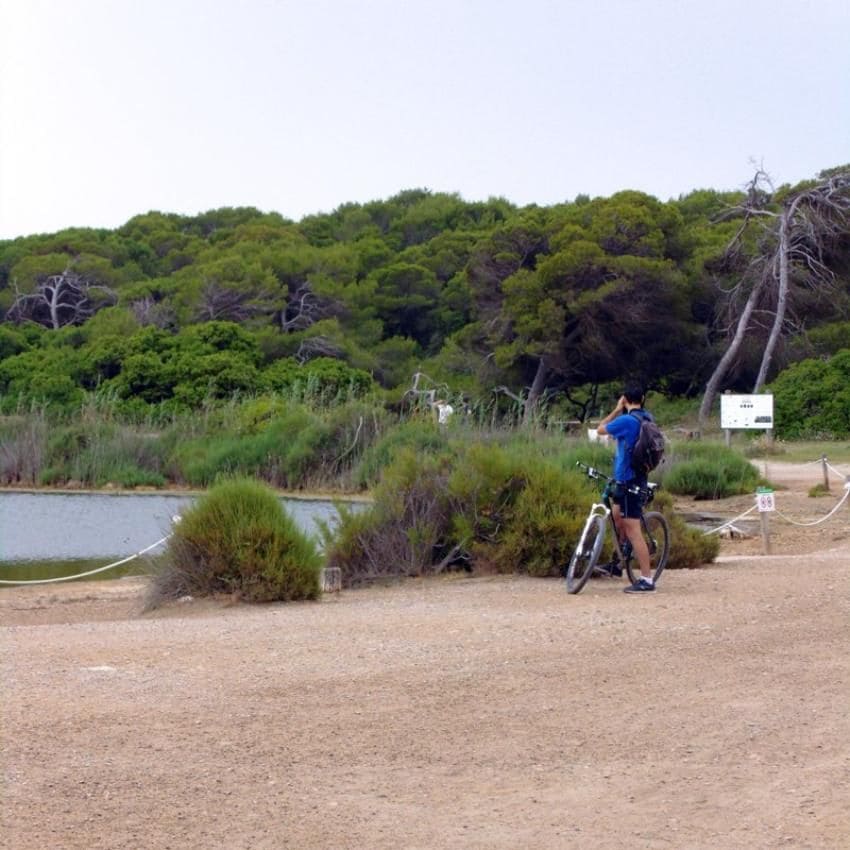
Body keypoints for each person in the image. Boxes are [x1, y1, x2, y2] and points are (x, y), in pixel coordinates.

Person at [596, 384, 656, 593]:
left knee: (633, 529)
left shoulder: (626, 420)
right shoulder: (647, 418)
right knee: (616, 517)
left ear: (625, 399)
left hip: (630, 480)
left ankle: (647, 580)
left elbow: (600, 429)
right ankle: (617, 562)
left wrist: (615, 409)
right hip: (631, 479)